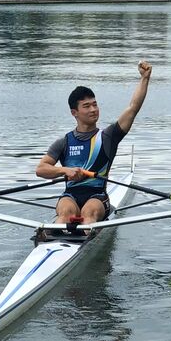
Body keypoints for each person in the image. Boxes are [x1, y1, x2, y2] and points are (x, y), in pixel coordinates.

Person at [36, 62, 152, 229]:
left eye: (95, 104)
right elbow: (41, 169)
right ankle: (53, 237)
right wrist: (65, 170)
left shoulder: (108, 137)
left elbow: (133, 108)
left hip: (98, 196)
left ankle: (82, 234)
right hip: (70, 195)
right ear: (74, 113)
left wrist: (145, 78)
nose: (93, 109)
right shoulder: (64, 142)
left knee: (89, 213)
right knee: (65, 212)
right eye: (87, 106)